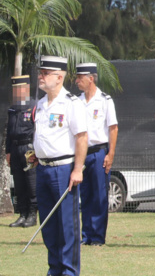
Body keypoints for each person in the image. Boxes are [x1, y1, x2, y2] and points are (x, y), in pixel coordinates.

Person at [34, 55, 88, 276]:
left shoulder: (71, 103)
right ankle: (54, 269)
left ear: (59, 77)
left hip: (64, 169)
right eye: (41, 72)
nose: (41, 76)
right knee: (48, 225)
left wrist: (77, 169)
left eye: (45, 73)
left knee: (67, 225)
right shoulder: (40, 104)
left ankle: (69, 271)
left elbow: (82, 137)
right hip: (42, 168)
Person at [75, 62, 119, 246]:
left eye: (80, 78)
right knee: (85, 195)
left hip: (99, 151)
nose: (77, 81)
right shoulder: (76, 101)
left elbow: (113, 128)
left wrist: (111, 154)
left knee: (99, 195)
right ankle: (86, 235)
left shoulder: (105, 100)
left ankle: (98, 237)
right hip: (82, 154)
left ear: (91, 78)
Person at [5, 75, 37, 228]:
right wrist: (8, 151)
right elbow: (9, 131)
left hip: (28, 148)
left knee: (31, 182)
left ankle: (32, 215)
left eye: (20, 88)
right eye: (15, 89)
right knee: (19, 184)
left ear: (26, 89)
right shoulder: (12, 108)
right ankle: (22, 214)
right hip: (15, 148)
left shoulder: (33, 106)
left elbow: (38, 130)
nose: (17, 92)